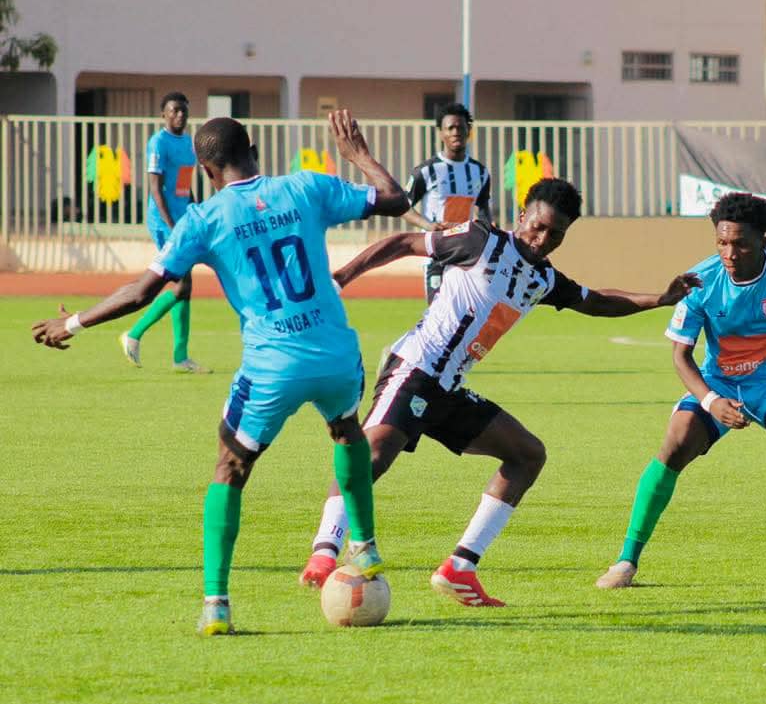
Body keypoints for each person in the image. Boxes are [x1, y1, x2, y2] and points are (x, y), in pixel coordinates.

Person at [32, 111, 410, 635]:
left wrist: (71, 322)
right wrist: (359, 156)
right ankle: (364, 546)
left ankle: (216, 604)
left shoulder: (205, 219)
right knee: (346, 430)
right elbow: (396, 200)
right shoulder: (305, 187)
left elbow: (142, 292)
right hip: (335, 356)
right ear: (254, 147)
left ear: (207, 170)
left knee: (230, 469)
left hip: (272, 367)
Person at [300, 178, 698, 606]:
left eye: (556, 234)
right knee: (370, 458)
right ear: (523, 213)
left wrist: (660, 298)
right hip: (414, 369)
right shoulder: (479, 240)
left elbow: (596, 300)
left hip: (448, 389)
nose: (543, 239)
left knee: (528, 454)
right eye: (539, 226)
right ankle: (324, 553)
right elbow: (404, 242)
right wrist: (342, 276)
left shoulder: (542, 278)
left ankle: (460, 568)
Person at [596, 191, 766, 591]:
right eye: (721, 242)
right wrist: (711, 401)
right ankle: (625, 562)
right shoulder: (700, 281)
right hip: (717, 383)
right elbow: (681, 356)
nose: (729, 252)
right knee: (675, 442)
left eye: (740, 243)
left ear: (763, 243)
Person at [119, 91, 210, 373]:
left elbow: (184, 184)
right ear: (163, 115)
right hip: (164, 222)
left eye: (183, 110)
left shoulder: (188, 144)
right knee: (181, 285)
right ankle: (134, 334)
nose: (179, 115)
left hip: (183, 220)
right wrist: (173, 227)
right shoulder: (158, 142)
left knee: (185, 287)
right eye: (174, 111)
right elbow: (156, 189)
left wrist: (195, 212)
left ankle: (180, 356)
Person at [403, 102, 492, 303]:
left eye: (460, 127)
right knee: (436, 314)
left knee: (466, 315)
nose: (455, 132)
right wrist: (428, 225)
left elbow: (484, 209)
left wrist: (487, 234)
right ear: (441, 133)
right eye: (450, 128)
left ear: (469, 131)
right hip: (437, 254)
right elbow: (402, 207)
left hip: (467, 254)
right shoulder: (426, 171)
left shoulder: (480, 172)